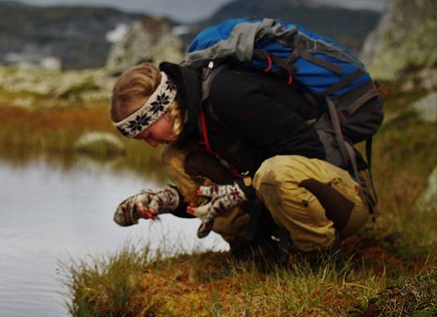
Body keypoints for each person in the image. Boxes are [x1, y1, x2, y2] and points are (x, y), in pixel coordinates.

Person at [110, 61, 377, 261]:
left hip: (344, 201)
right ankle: (257, 253)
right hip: (283, 200)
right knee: (176, 159)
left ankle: (324, 261)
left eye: (148, 135)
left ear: (164, 109)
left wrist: (241, 189)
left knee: (275, 173)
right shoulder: (193, 122)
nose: (152, 144)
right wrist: (167, 201)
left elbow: (309, 151)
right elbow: (212, 193)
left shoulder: (229, 95)